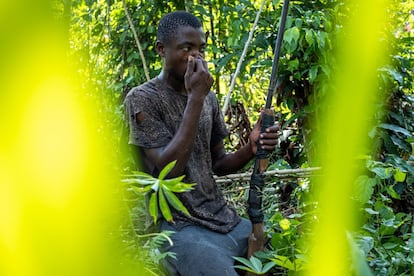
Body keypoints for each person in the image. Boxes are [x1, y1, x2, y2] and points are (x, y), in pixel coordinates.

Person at [124, 10, 279, 276]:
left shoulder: (208, 99)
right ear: (162, 50)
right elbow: (166, 173)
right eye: (186, 48)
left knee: (276, 262)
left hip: (223, 220)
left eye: (201, 49)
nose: (196, 57)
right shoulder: (142, 99)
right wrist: (195, 98)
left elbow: (218, 163)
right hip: (179, 227)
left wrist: (250, 149)